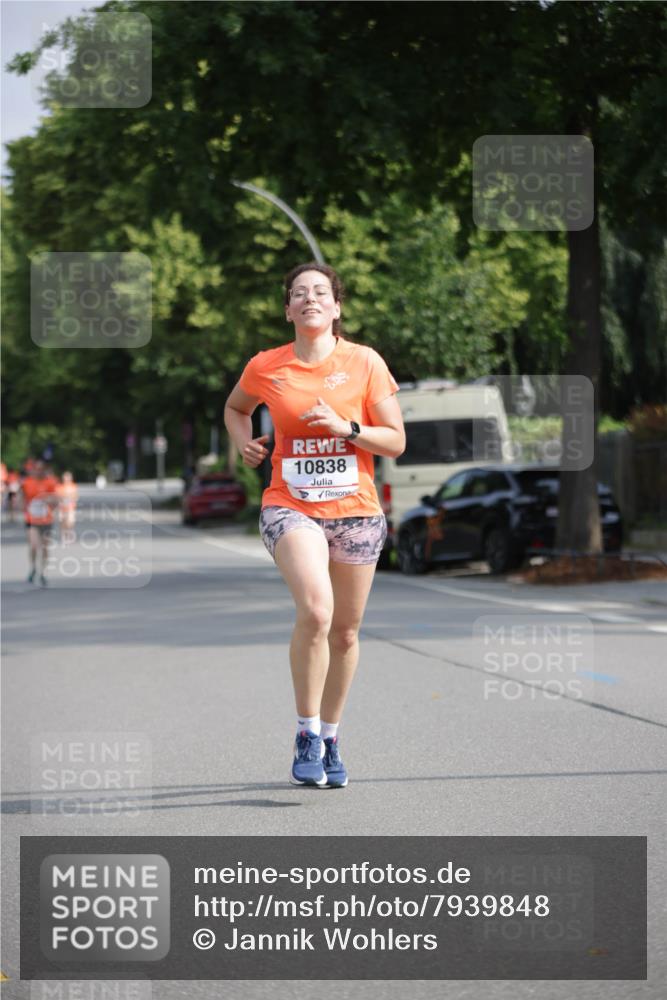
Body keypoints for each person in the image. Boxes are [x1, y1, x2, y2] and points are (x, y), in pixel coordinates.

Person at [224, 262, 405, 788]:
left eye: (320, 292)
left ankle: (330, 736)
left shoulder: (365, 362)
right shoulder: (267, 366)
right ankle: (305, 731)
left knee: (346, 633)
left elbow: (394, 440)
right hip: (290, 504)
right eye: (299, 293)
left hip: (357, 510)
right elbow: (237, 408)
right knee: (317, 610)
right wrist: (244, 442)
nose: (310, 299)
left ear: (336, 307)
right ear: (288, 309)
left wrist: (349, 429)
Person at [20, 459, 59, 585]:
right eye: (36, 469)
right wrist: (23, 508)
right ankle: (33, 568)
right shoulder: (27, 482)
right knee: (33, 545)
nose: (39, 471)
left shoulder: (50, 482)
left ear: (44, 470)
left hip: (46, 519)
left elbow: (56, 500)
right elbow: (22, 497)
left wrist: (50, 501)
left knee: (45, 547)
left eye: (41, 469)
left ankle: (42, 572)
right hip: (31, 519)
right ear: (33, 470)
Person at [57, 470, 79, 543]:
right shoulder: (60, 487)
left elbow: (76, 496)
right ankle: (64, 535)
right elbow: (57, 497)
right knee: (63, 522)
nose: (67, 479)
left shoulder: (73, 486)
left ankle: (70, 534)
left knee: (70, 522)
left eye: (68, 477)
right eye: (65, 477)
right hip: (62, 508)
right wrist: (61, 501)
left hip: (71, 507)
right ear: (63, 478)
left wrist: (72, 500)